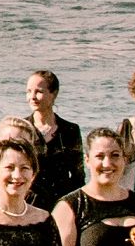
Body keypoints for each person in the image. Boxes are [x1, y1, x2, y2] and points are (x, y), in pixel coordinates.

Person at [19, 71, 87, 211]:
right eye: (29, 91)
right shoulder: (21, 129)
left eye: (39, 91)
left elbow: (78, 176)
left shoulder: (70, 130)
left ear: (54, 94)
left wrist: (76, 207)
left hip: (61, 204)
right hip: (28, 204)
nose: (32, 97)